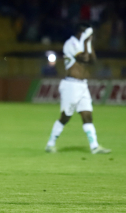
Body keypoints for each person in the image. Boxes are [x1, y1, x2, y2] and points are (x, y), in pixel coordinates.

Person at [45, 23, 111, 154]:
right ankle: (50, 144)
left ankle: (94, 146)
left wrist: (88, 43)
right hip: (71, 85)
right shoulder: (71, 43)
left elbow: (92, 60)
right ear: (81, 33)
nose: (91, 37)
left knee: (87, 115)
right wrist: (86, 42)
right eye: (89, 35)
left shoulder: (84, 44)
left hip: (82, 85)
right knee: (65, 116)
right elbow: (83, 57)